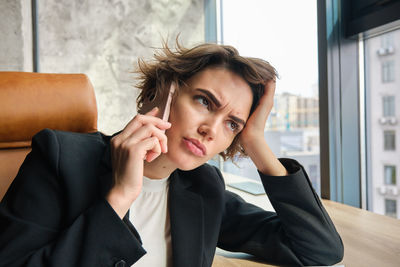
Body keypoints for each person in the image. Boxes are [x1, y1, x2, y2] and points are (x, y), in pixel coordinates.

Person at [0, 42, 344, 267]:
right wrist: (118, 198)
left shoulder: (202, 187)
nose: (212, 129)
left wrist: (255, 142)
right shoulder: (60, 158)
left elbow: (318, 251)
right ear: (165, 89)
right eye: (204, 101)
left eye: (232, 125)